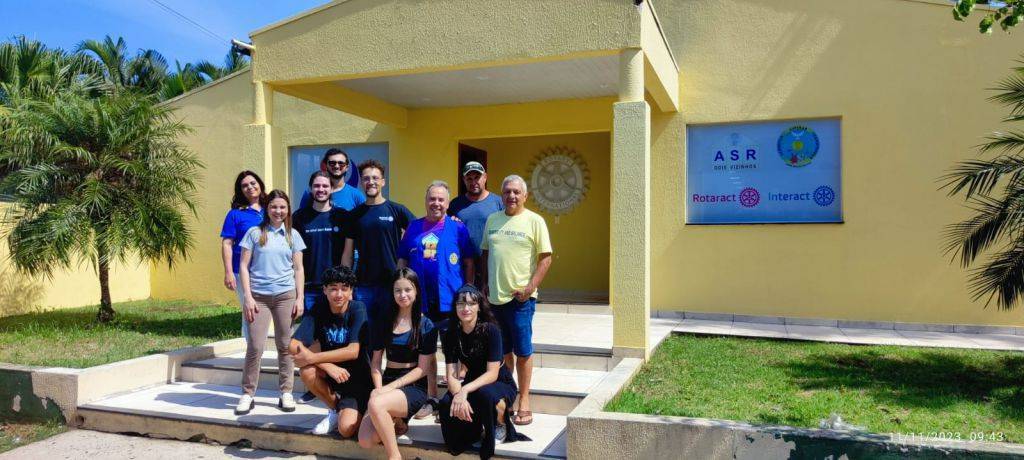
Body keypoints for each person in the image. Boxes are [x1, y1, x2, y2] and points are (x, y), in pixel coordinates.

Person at [480, 175, 552, 427]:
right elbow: (485, 253)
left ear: (525, 196)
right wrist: (485, 284)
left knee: (522, 351)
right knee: (504, 352)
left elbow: (545, 258)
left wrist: (530, 287)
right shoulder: (492, 219)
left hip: (521, 301)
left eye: (516, 192)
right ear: (501, 195)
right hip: (495, 300)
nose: (511, 196)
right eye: (507, 192)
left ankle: (524, 399)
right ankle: (508, 394)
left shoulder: (535, 221)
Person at [398, 180, 476, 411]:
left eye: (441, 199)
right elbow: (402, 260)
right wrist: (400, 286)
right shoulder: (413, 227)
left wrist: (468, 291)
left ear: (448, 203)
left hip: (451, 301)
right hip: (421, 302)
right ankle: (431, 397)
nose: (436, 203)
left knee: (454, 350)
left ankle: (456, 397)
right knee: (427, 351)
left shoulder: (458, 228)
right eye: (432, 198)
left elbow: (469, 262)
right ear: (425, 201)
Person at [357, 268, 439, 459]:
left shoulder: (426, 325)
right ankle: (398, 421)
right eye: (398, 290)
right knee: (366, 440)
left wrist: (386, 390)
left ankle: (394, 456)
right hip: (387, 379)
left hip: (413, 385)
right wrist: (379, 388)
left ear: (416, 291)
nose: (403, 295)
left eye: (408, 289)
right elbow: (376, 363)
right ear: (392, 293)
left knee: (376, 403)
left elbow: (422, 369)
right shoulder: (383, 322)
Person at [236, 190, 305, 416]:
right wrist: (247, 297)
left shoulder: (293, 235)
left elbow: (298, 269)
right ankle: (248, 394)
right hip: (259, 298)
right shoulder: (254, 233)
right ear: (267, 208)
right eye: (274, 207)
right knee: (255, 346)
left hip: (286, 296)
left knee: (285, 345)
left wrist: (300, 297)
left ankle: (286, 392)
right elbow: (243, 266)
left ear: (288, 210)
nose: (278, 211)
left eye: (282, 207)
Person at [438, 284, 524, 459]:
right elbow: (452, 375)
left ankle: (501, 423)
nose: (466, 308)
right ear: (455, 307)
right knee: (447, 401)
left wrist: (465, 390)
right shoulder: (451, 334)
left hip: (499, 381)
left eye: (471, 303)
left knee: (484, 394)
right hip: (473, 380)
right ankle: (470, 432)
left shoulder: (491, 330)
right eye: (461, 303)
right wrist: (458, 395)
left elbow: (492, 373)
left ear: (479, 306)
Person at [288, 265, 372, 437]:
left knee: (346, 429)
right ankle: (335, 409)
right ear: (325, 290)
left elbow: (353, 351)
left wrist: (312, 357)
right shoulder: (319, 308)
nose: (339, 294)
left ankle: (357, 410)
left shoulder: (358, 308)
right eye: (333, 288)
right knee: (307, 371)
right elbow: (293, 345)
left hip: (357, 379)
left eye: (344, 288)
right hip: (332, 375)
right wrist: (327, 365)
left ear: (351, 291)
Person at [342, 159, 415, 326]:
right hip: (363, 285)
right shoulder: (354, 215)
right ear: (361, 182)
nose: (371, 182)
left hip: (393, 284)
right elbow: (347, 254)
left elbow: (420, 234)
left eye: (375, 178)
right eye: (366, 178)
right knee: (364, 331)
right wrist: (347, 285)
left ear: (383, 181)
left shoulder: (397, 210)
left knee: (391, 329)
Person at [220, 171, 267, 339]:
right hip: (242, 270)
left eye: (253, 183)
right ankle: (251, 349)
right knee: (250, 309)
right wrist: (228, 272)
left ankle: (258, 346)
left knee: (265, 309)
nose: (250, 187)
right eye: (245, 185)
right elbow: (227, 244)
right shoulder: (235, 214)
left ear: (260, 184)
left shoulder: (271, 209)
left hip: (267, 269)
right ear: (240, 190)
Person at [447, 161, 503, 289]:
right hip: (464, 267)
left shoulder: (498, 203)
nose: (473, 182)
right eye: (469, 178)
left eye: (477, 177)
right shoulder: (455, 204)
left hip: (492, 267)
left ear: (485, 177)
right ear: (464, 180)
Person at [298, 148, 366, 211]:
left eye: (341, 163)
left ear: (347, 167)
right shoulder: (310, 193)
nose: (336, 166)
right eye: (332, 163)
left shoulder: (356, 195)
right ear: (326, 166)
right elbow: (301, 217)